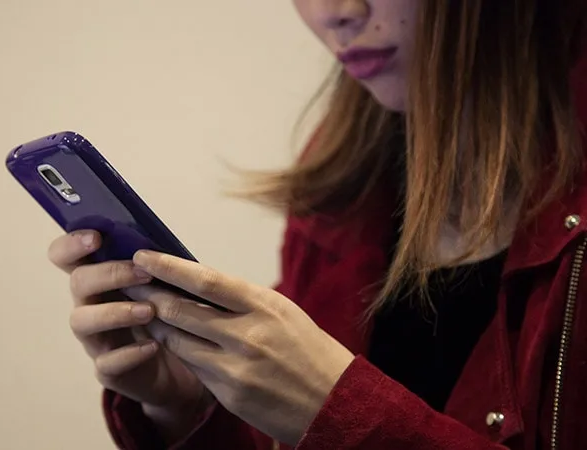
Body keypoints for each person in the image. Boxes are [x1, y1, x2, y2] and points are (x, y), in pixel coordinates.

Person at [47, 1, 587, 448]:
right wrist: (188, 404)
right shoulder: (344, 180)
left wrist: (338, 410)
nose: (336, 12)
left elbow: (327, 416)